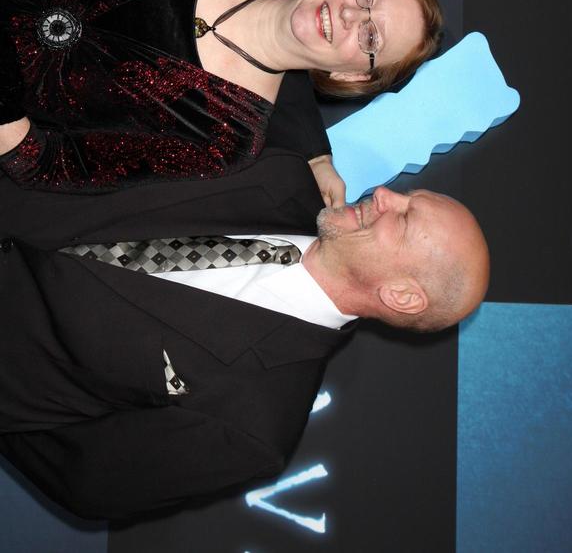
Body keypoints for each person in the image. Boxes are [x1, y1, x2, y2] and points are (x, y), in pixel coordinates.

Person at [0, 164, 489, 520]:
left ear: (402, 296)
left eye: (402, 219)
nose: (384, 193)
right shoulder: (279, 176)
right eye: (407, 196)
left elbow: (87, 481)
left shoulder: (256, 424)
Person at [0, 0, 441, 192]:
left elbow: (52, 164)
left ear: (352, 78)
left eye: (371, 39)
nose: (350, 14)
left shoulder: (228, 138)